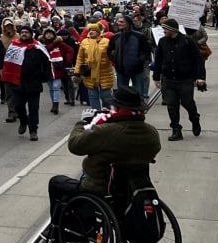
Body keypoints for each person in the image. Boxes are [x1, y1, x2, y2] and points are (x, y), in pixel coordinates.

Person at [45, 86, 161, 219]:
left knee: (56, 183)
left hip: (100, 187)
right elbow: (154, 150)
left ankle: (67, 230)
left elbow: (75, 145)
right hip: (133, 184)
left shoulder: (108, 131)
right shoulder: (151, 133)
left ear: (117, 108)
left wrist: (83, 123)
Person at [152, 18, 207, 142]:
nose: (163, 31)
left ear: (172, 29)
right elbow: (158, 60)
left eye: (165, 29)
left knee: (188, 103)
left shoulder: (188, 41)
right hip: (168, 80)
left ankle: (194, 118)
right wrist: (156, 77)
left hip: (185, 80)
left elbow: (198, 59)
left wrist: (201, 77)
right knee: (171, 105)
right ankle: (176, 130)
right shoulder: (162, 41)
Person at [0, 24, 51, 141]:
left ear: (31, 34)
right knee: (18, 106)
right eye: (22, 32)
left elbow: (47, 62)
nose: (24, 34)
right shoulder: (14, 46)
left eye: (26, 32)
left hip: (34, 84)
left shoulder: (38, 47)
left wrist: (44, 77)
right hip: (18, 83)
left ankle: (33, 130)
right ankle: (23, 121)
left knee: (34, 109)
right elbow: (8, 62)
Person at [109, 15, 153, 99]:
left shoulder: (139, 36)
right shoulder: (116, 36)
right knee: (122, 94)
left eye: (121, 22)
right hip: (121, 70)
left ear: (128, 23)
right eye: (118, 21)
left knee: (138, 94)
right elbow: (109, 50)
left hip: (137, 70)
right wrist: (115, 59)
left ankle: (138, 111)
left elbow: (146, 50)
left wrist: (140, 61)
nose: (118, 23)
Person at [74, 22, 114, 111]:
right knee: (93, 96)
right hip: (90, 74)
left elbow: (112, 56)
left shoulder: (106, 41)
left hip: (105, 73)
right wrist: (77, 71)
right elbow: (80, 58)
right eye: (90, 30)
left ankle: (107, 114)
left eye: (94, 30)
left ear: (99, 32)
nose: (91, 32)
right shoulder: (84, 42)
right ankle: (96, 114)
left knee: (106, 96)